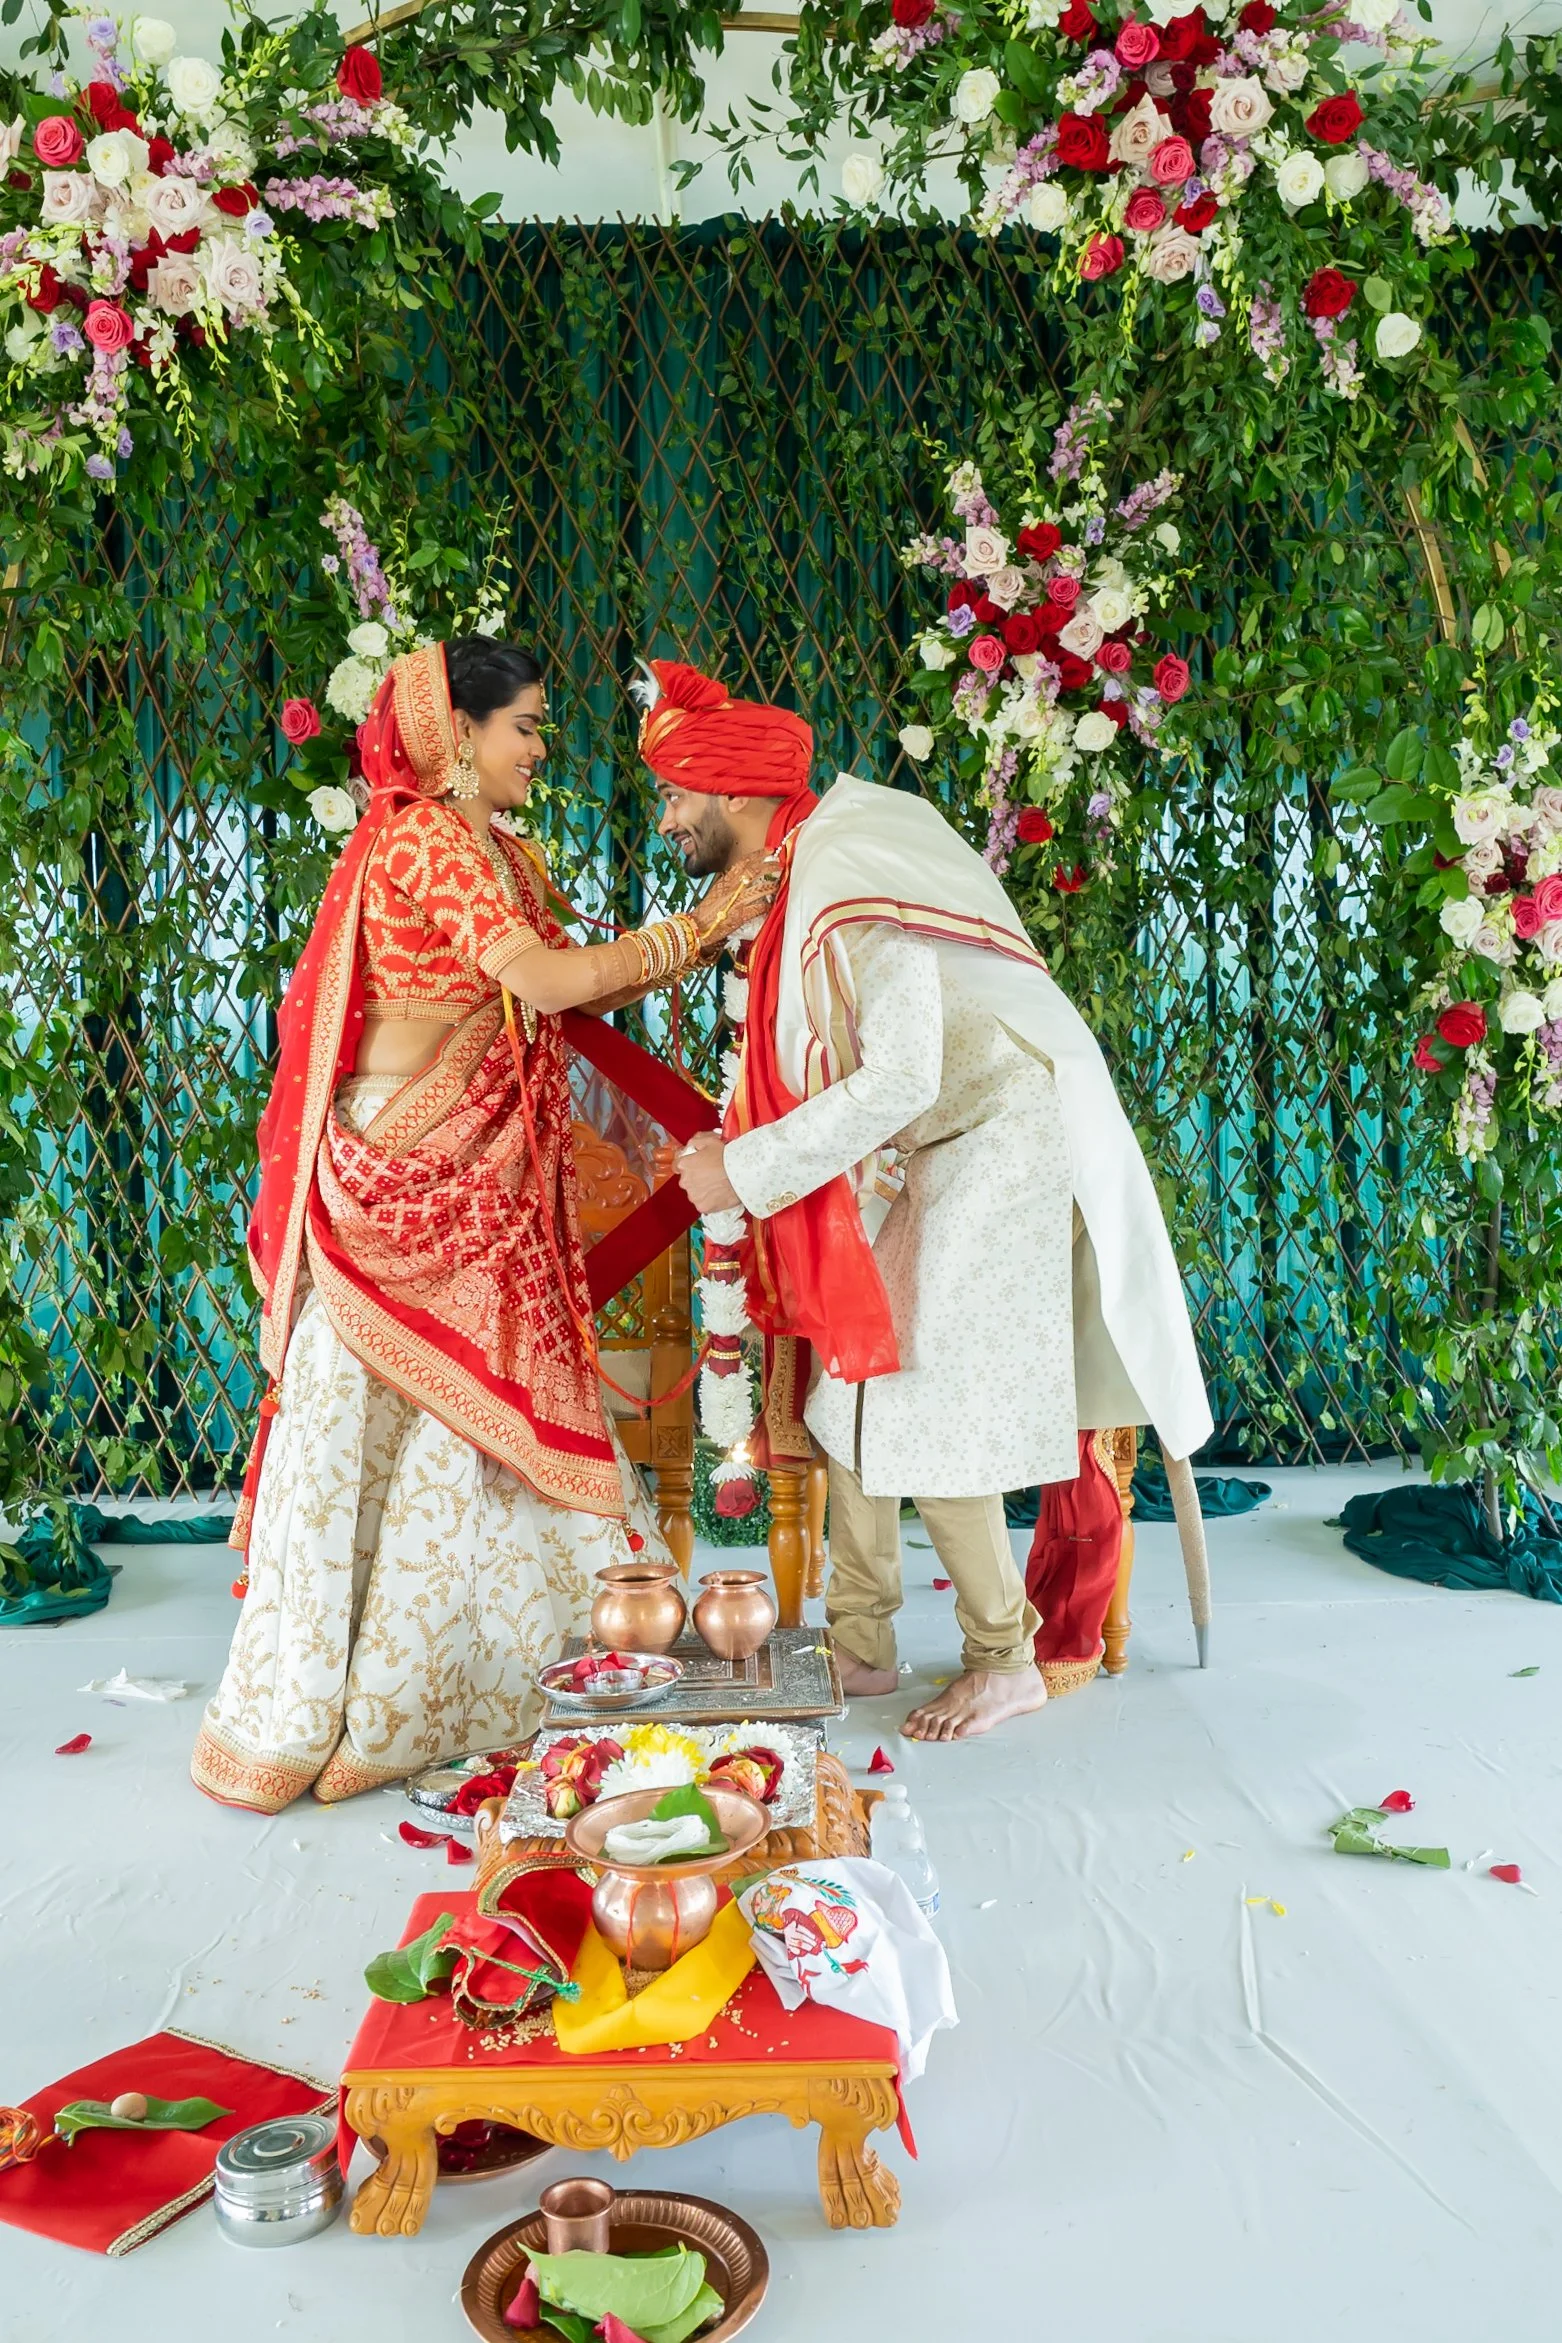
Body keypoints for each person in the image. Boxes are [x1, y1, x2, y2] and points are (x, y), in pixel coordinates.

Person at [192, 640, 773, 1812]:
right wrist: (702, 919)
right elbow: (549, 988)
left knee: (464, 1431)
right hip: (406, 1171)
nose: (540, 749)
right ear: (456, 734)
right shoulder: (419, 837)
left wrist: (700, 935)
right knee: (393, 1423)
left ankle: (464, 1681)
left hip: (475, 1172)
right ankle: (359, 1700)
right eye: (526, 727)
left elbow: (565, 984)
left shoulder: (488, 847)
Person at [643, 657, 1213, 1743]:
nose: (667, 818)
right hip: (922, 1149)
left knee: (916, 1400)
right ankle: (860, 1639)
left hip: (994, 1142)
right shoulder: (807, 870)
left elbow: (900, 1075)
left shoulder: (850, 883)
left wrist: (747, 1169)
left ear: (728, 793)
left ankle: (1003, 1658)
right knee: (846, 1383)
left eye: (674, 795)